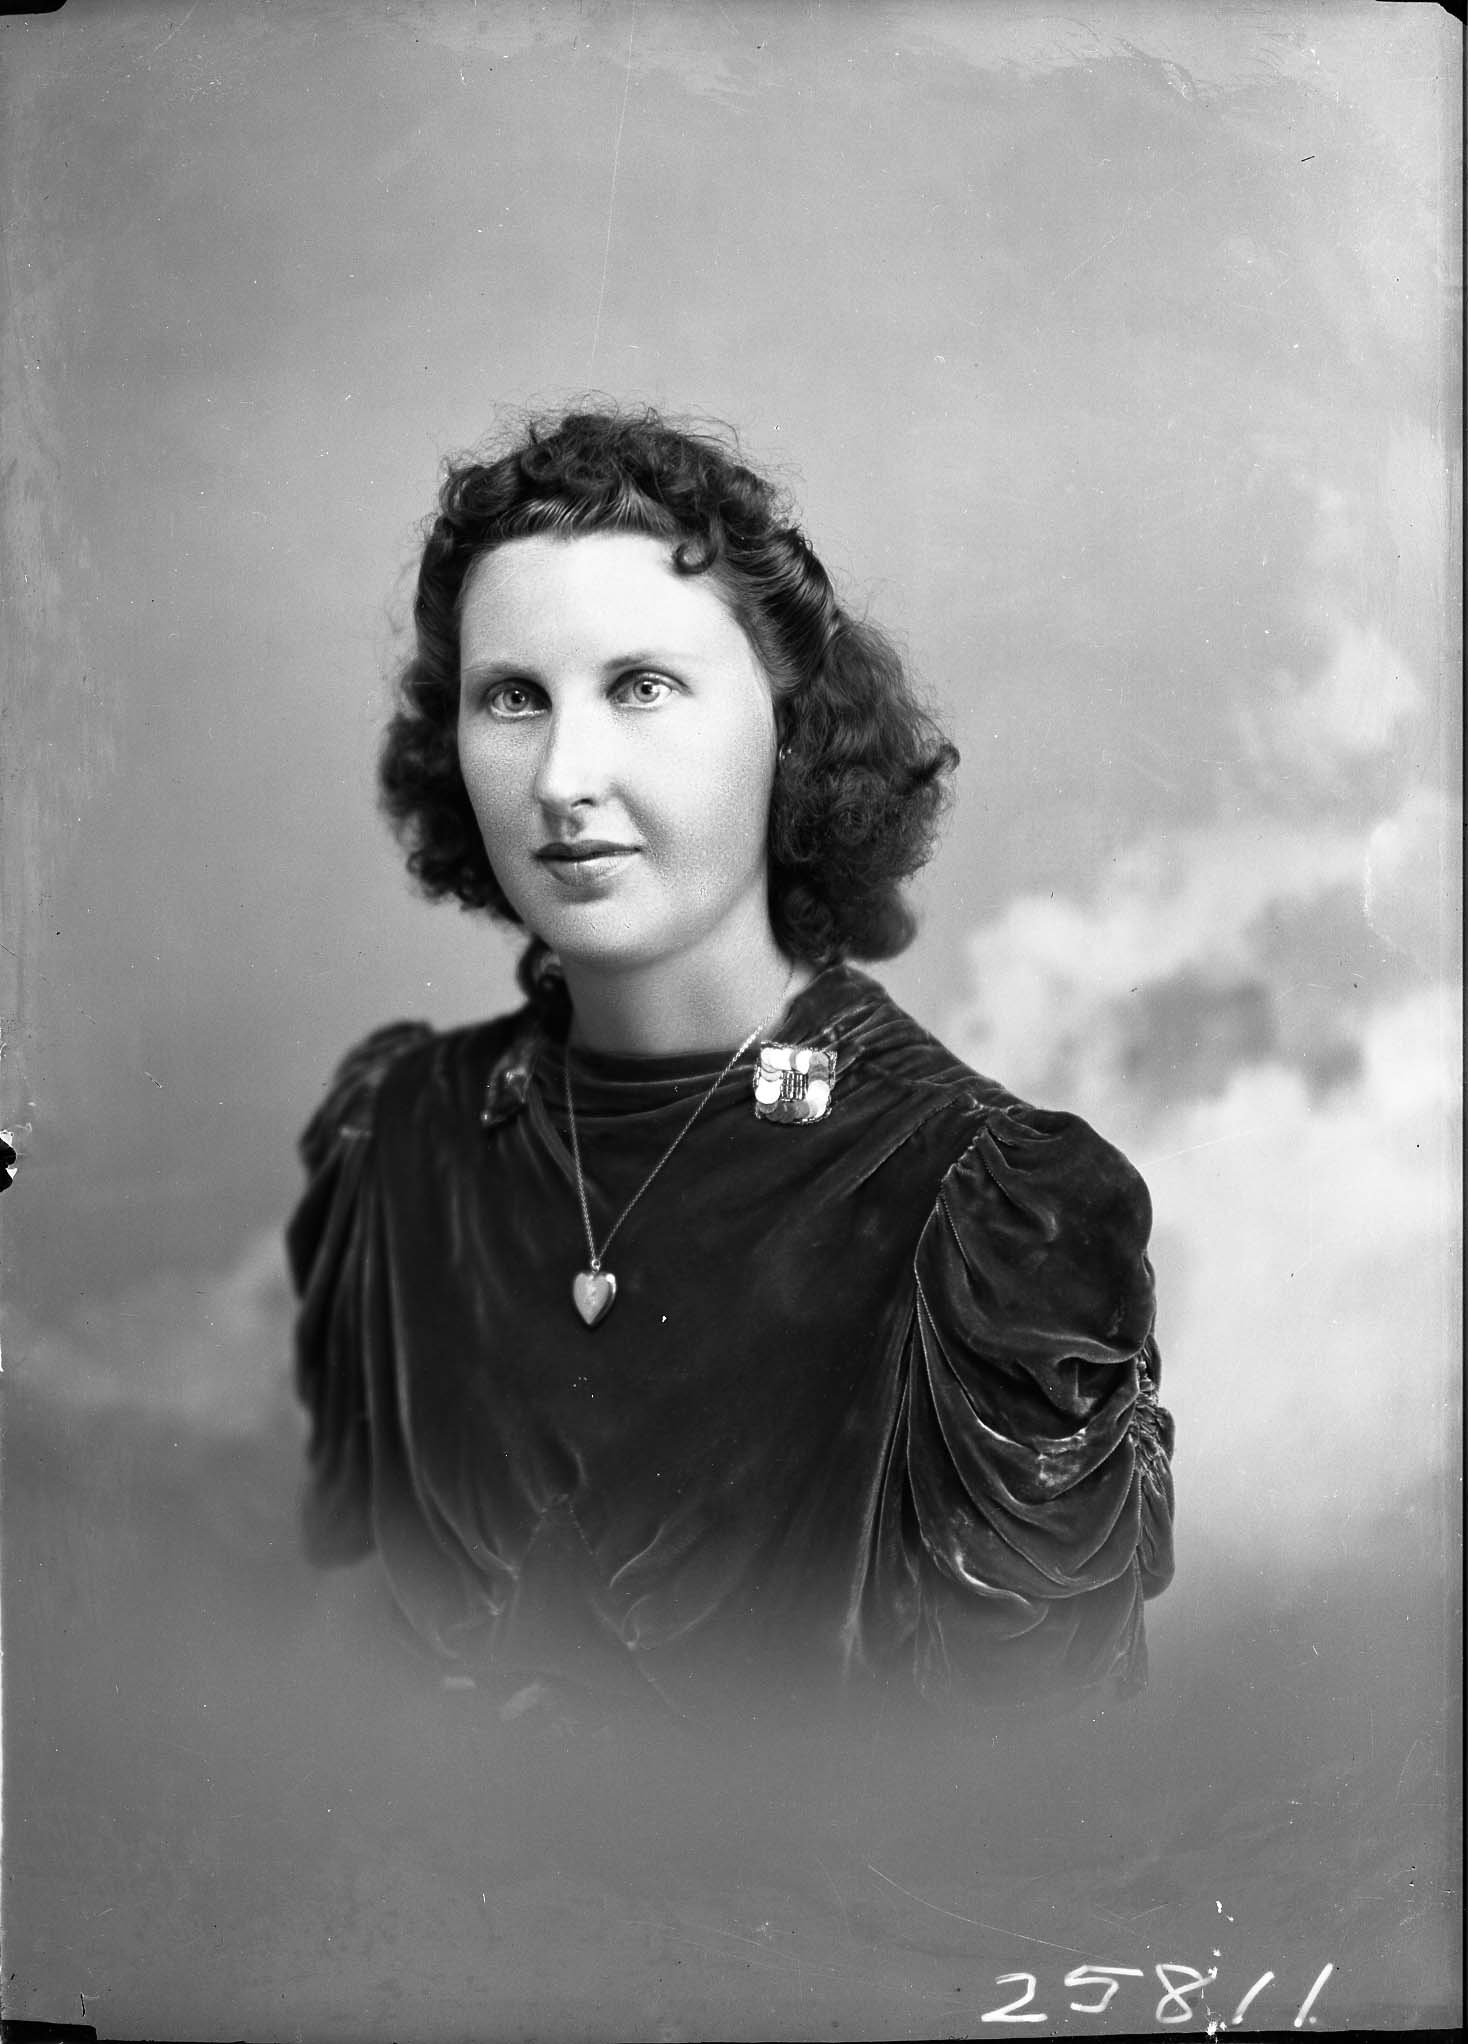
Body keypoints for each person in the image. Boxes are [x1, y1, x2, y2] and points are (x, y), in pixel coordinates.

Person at [287, 406, 1174, 1727]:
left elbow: (1030, 1793)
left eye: (641, 687)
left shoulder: (988, 1213)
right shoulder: (400, 1132)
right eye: (513, 698)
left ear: (788, 731)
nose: (563, 778)